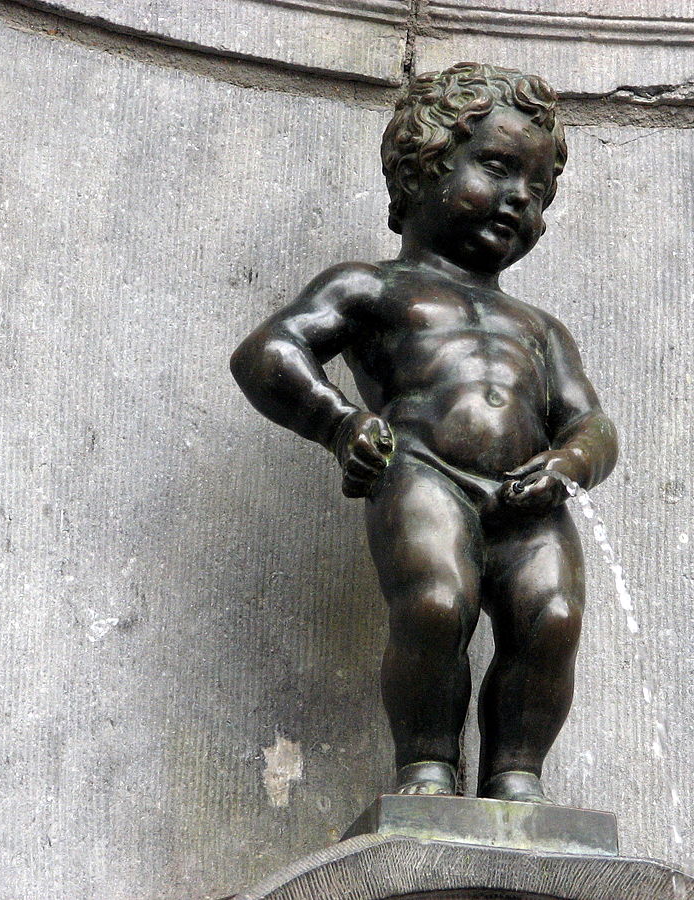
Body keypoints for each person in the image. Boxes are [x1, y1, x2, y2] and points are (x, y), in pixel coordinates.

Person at [231, 63, 617, 804]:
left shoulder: (539, 328)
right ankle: (427, 767)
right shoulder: (372, 287)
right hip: (423, 471)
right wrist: (340, 423)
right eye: (497, 167)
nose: (519, 197)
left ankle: (517, 777)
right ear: (422, 169)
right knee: (437, 604)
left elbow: (592, 422)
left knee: (554, 619)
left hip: (532, 496)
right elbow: (269, 351)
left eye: (538, 190)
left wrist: (571, 462)